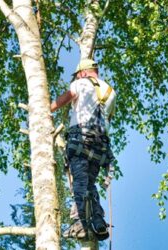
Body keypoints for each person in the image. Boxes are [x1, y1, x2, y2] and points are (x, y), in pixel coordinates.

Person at [51, 59, 116, 240]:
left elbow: (66, 97)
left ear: (83, 72)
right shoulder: (111, 92)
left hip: (80, 141)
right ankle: (97, 220)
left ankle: (79, 222)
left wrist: (44, 109)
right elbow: (108, 117)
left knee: (79, 182)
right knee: (90, 184)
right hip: (101, 148)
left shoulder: (80, 83)